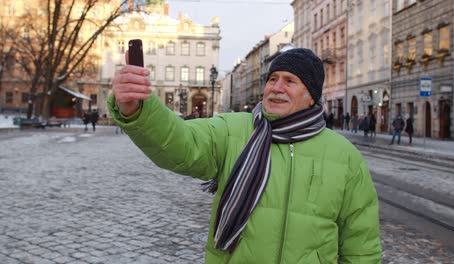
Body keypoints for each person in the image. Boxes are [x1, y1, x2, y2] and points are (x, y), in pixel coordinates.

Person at [109, 48, 381, 263]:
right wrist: (138, 109)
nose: (276, 87)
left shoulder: (344, 156)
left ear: (311, 95)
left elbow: (361, 242)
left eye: (290, 81)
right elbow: (180, 142)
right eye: (272, 79)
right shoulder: (233, 130)